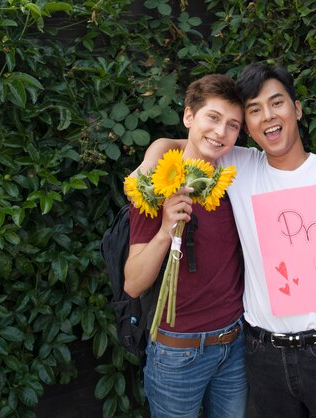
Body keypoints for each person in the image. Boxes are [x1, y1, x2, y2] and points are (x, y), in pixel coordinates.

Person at [134, 64, 316, 417]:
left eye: (277, 103)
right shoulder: (239, 166)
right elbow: (189, 142)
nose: (267, 116)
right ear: (248, 129)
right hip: (260, 353)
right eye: (254, 110)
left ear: (297, 109)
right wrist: (150, 160)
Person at [123, 74, 248, 418]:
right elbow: (132, 282)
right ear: (189, 116)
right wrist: (165, 229)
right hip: (177, 354)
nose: (221, 132)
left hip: (234, 345)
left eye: (233, 125)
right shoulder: (157, 184)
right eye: (213, 117)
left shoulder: (236, 175)